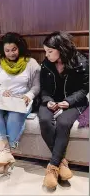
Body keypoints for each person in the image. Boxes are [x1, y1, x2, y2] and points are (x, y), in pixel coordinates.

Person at [38, 31, 89, 190]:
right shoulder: (46, 64)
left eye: (50, 51)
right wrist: (48, 101)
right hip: (51, 102)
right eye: (45, 51)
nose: (46, 55)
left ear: (61, 49)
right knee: (45, 120)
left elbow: (84, 89)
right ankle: (62, 163)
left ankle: (53, 168)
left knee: (63, 122)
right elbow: (44, 90)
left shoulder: (81, 62)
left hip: (74, 102)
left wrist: (68, 101)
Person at [0, 32, 40, 174]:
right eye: (7, 50)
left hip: (21, 100)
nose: (11, 53)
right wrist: (1, 91)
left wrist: (29, 95)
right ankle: (6, 154)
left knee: (15, 116)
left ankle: (5, 155)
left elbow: (36, 86)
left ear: (20, 47)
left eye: (14, 49)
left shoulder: (31, 63)